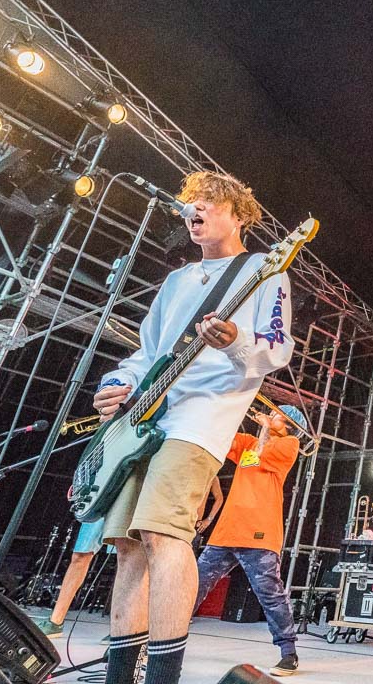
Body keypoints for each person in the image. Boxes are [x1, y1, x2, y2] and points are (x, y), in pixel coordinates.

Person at [92, 171, 293, 684]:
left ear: (239, 214)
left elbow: (276, 350)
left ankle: (162, 675)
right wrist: (117, 382)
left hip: (201, 419)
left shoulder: (264, 271)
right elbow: (147, 353)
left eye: (207, 202)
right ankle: (120, 675)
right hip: (144, 417)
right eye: (189, 204)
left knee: (161, 533)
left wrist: (234, 340)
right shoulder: (177, 280)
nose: (193, 211)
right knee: (128, 547)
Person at [37, 478, 223, 639]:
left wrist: (204, 519)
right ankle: (55, 621)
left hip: (137, 490)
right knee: (80, 555)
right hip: (105, 489)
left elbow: (212, 494)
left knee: (129, 559)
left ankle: (125, 632)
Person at [193, 408, 301, 676]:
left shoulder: (290, 444)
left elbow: (262, 454)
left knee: (270, 593)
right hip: (226, 531)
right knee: (193, 585)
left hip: (259, 533)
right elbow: (223, 437)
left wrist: (264, 428)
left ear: (288, 424)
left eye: (276, 415)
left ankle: (289, 653)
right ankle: (159, 638)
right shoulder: (247, 442)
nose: (270, 415)